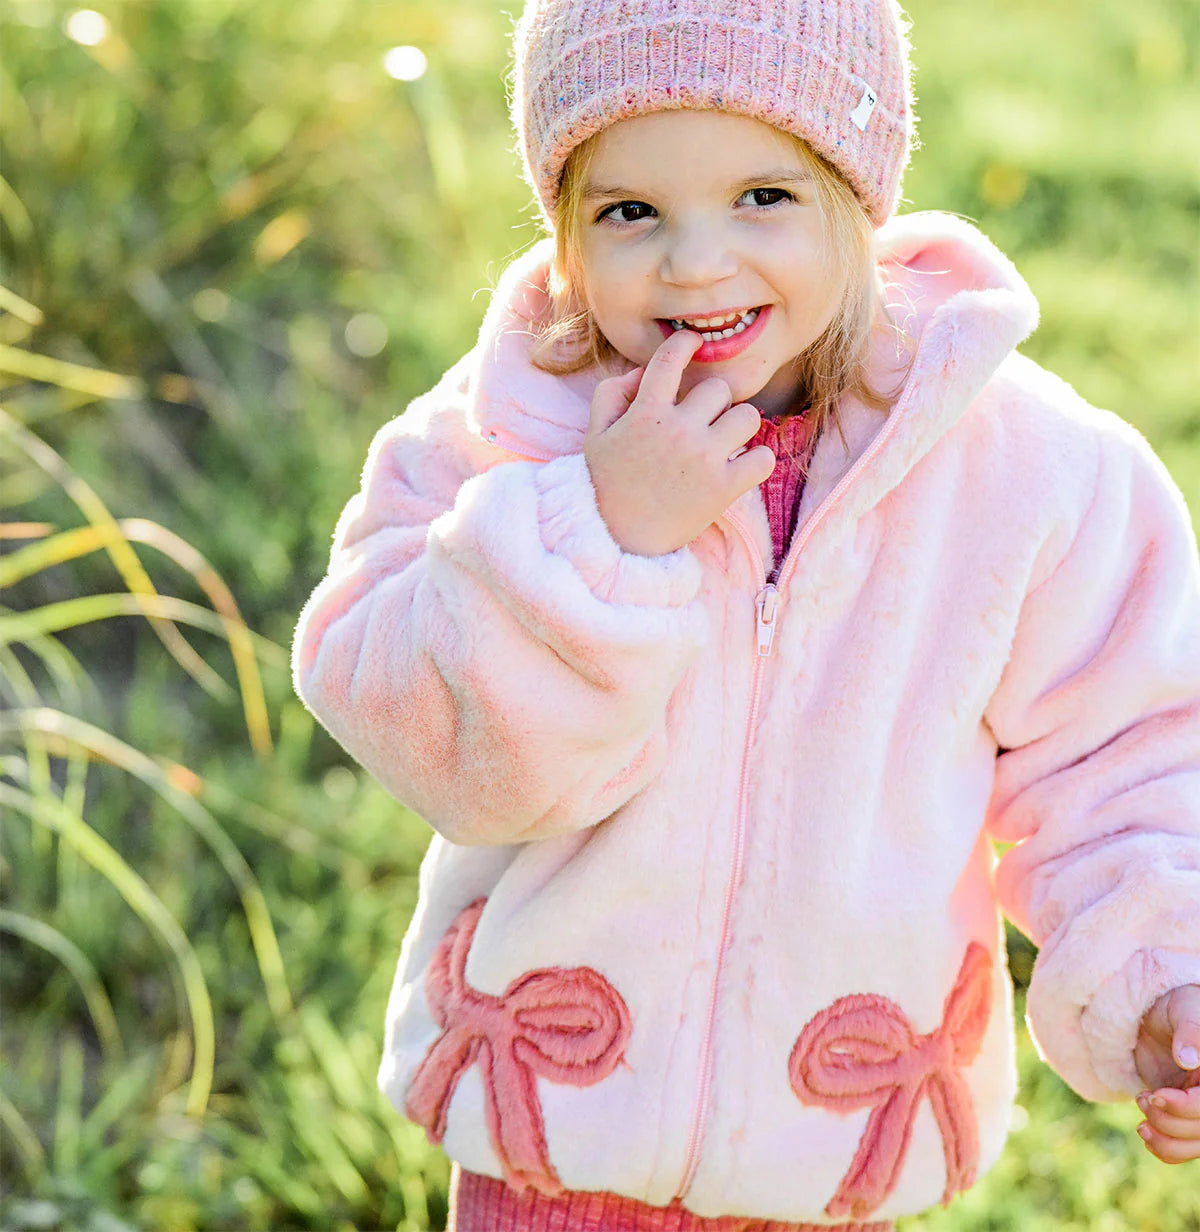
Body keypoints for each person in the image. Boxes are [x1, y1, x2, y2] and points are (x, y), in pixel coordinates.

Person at [291, 0, 1200, 1227]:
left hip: (830, 1144)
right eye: (630, 212)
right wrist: (595, 531)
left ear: (857, 189)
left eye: (763, 196)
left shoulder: (1021, 471)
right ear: (563, 229)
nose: (697, 261)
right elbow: (400, 700)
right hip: (551, 1135)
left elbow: (1123, 752)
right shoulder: (512, 433)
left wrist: (1161, 974)